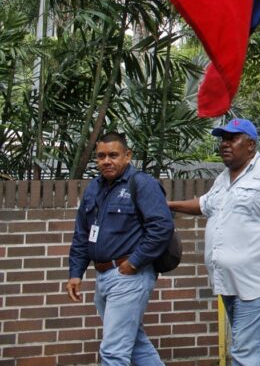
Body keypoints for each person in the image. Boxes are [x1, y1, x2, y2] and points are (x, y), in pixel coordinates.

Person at [168, 118, 260, 366]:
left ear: (251, 145)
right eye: (223, 139)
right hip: (229, 282)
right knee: (257, 352)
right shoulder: (224, 178)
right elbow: (204, 205)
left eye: (233, 139)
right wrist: (168, 205)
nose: (225, 144)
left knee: (246, 355)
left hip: (259, 283)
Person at [67, 132, 173, 366]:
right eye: (101, 156)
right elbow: (82, 234)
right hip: (104, 276)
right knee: (136, 345)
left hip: (129, 276)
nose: (107, 161)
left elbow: (162, 227)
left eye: (113, 155)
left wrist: (135, 262)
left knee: (113, 352)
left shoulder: (142, 184)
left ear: (127, 156)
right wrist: (76, 272)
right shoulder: (94, 188)